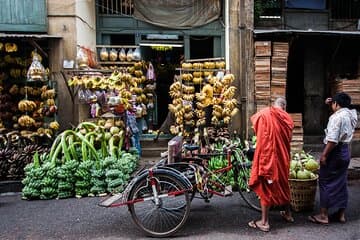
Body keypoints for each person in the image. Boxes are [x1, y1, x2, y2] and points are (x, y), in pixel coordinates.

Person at [308, 92, 358, 225]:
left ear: (336, 104)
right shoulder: (352, 114)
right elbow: (348, 107)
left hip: (334, 152)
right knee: (341, 182)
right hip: (345, 151)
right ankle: (341, 214)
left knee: (325, 180)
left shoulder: (336, 118)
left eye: (333, 104)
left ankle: (324, 215)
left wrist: (324, 155)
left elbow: (333, 140)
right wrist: (333, 102)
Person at [247, 97, 294, 232]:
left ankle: (264, 222)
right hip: (283, 157)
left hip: (269, 158)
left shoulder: (266, 113)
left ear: (274, 105)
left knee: (266, 188)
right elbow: (288, 139)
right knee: (283, 184)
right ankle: (288, 214)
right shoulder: (288, 119)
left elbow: (258, 130)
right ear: (284, 107)